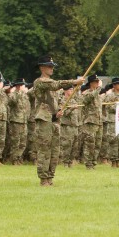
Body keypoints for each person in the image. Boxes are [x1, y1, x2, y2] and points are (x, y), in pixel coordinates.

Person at [32, 55, 84, 185]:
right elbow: (56, 85)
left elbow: (52, 101)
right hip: (43, 119)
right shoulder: (40, 81)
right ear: (42, 67)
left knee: (55, 150)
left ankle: (50, 177)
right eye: (49, 66)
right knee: (44, 149)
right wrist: (74, 82)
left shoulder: (49, 83)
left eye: (52, 66)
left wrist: (58, 111)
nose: (52, 68)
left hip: (53, 119)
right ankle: (43, 178)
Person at [81, 74, 103, 170]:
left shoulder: (97, 95)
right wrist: (98, 89)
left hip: (98, 121)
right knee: (90, 143)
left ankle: (93, 162)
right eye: (96, 82)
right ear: (91, 83)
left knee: (98, 144)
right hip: (90, 121)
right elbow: (86, 100)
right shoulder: (86, 93)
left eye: (98, 82)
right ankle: (88, 163)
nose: (97, 84)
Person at [103, 77, 119, 168]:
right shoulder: (110, 96)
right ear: (114, 85)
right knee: (113, 140)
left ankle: (118, 160)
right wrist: (118, 107)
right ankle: (113, 161)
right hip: (112, 120)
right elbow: (108, 107)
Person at [7, 78, 30, 164]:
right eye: (22, 85)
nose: (24, 86)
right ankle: (14, 160)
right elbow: (13, 102)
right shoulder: (12, 94)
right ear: (18, 86)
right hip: (16, 120)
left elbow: (27, 107)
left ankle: (18, 158)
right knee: (15, 142)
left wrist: (27, 116)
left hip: (24, 121)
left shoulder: (24, 95)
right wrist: (17, 92)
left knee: (23, 143)